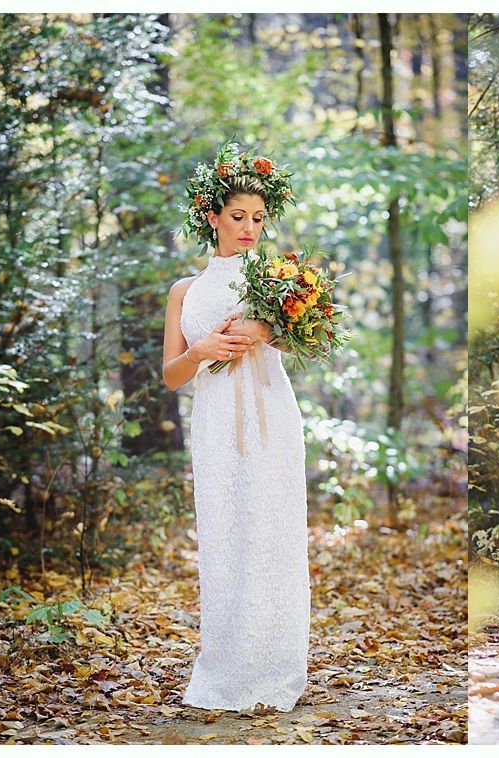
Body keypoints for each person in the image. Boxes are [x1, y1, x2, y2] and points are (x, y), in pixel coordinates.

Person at [162, 142, 310, 710]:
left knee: (271, 531)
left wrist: (263, 326)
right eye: (239, 217)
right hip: (216, 420)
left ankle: (275, 666)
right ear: (212, 217)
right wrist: (199, 349)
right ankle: (224, 667)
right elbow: (172, 376)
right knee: (225, 534)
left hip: (271, 416)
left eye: (258, 219)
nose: (250, 228)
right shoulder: (183, 292)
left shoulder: (279, 279)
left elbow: (287, 335)